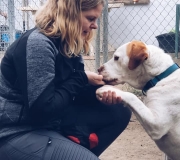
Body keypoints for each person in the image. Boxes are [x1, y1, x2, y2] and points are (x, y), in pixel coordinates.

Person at [0, 0, 132, 159]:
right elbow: (43, 110)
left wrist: (100, 90)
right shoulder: (39, 43)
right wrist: (82, 78)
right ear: (69, 14)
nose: (95, 26)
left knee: (119, 111)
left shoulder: (69, 42)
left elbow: (72, 91)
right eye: (90, 19)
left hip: (50, 122)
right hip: (15, 131)